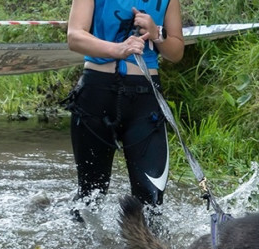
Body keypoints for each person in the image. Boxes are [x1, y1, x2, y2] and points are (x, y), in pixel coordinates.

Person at [63, 0, 184, 221]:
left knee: (152, 202)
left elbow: (176, 52)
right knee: (90, 195)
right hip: (96, 94)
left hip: (145, 100)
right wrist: (118, 49)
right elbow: (74, 36)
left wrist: (157, 34)